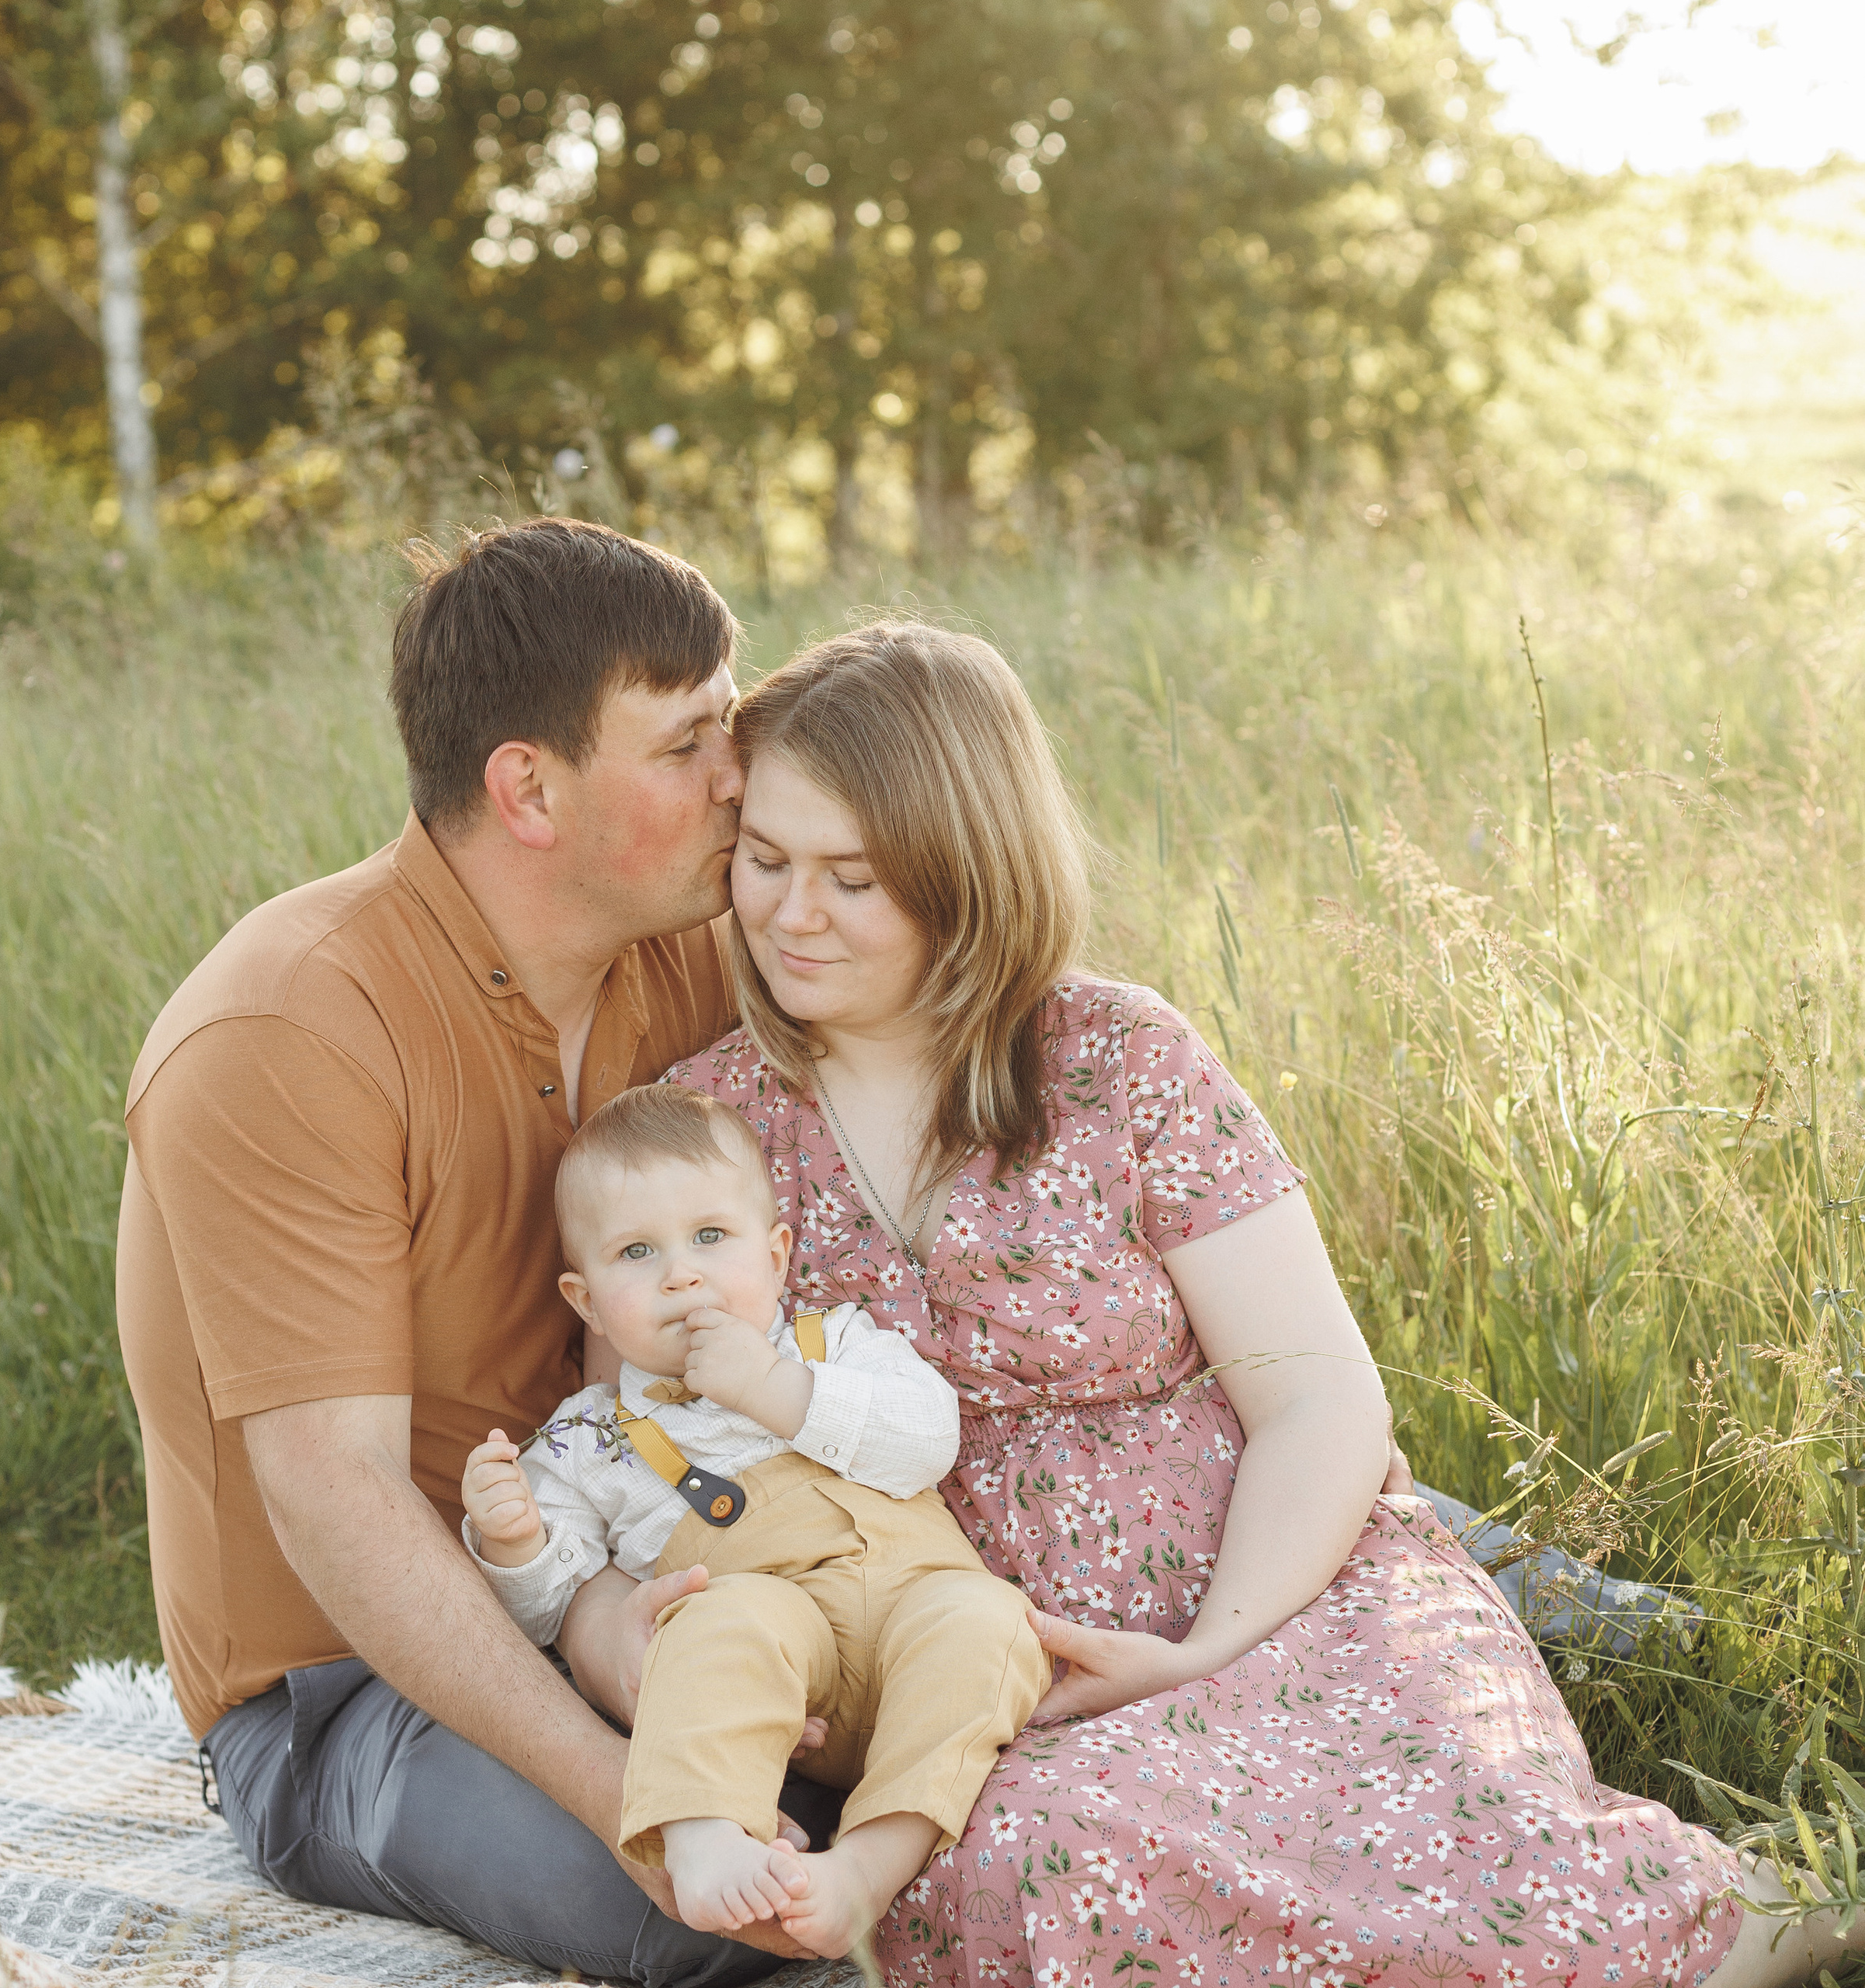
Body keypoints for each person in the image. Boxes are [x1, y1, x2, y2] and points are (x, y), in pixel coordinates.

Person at [656, 618, 1852, 1988]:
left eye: (852, 878)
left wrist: (1207, 1649)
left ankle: (1749, 1925)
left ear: (966, 873)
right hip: (986, 1669)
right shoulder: (704, 1132)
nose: (793, 914)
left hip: (1282, 1592)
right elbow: (653, 1434)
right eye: (766, 862)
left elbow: (1318, 1396)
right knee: (1051, 1858)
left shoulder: (1117, 1059)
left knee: (1469, 1841)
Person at [115, 518, 831, 1987]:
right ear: (529, 789)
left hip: (655, 1558)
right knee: (687, 1912)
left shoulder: (693, 954)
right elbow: (339, 1491)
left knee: (977, 1735)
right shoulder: (289, 1031)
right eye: (689, 741)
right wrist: (633, 1801)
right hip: (347, 1691)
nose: (738, 777)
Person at [459, 1083, 1046, 1955]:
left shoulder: (834, 1345)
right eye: (635, 1252)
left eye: (709, 1237)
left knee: (992, 1623)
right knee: (718, 1620)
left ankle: (864, 1869)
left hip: (912, 1624)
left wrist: (777, 1391)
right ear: (586, 1304)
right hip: (778, 1675)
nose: (681, 1273)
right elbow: (557, 1603)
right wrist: (511, 1542)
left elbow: (929, 1439)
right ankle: (702, 1830)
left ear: (774, 1257)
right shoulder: (590, 1438)